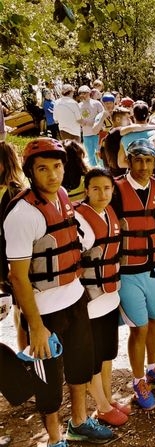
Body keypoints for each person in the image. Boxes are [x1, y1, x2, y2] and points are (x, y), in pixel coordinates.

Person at [4, 138, 113, 446]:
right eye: (42, 169)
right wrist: (35, 326)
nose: (52, 176)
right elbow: (18, 278)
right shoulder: (22, 214)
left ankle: (79, 422)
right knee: (49, 380)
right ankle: (54, 439)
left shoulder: (63, 196)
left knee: (80, 367)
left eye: (57, 167)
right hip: (44, 311)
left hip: (75, 299)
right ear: (30, 172)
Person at [112, 138, 155, 411]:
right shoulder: (116, 190)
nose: (144, 166)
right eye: (138, 160)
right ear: (129, 160)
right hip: (128, 272)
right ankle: (138, 381)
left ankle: (153, 368)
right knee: (140, 328)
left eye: (148, 160)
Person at [74, 168, 130, 426]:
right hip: (89, 298)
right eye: (96, 188)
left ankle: (106, 399)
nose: (102, 193)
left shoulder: (110, 212)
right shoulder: (80, 219)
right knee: (93, 358)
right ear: (87, 190)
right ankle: (102, 406)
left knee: (108, 353)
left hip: (110, 294)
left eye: (107, 188)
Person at [0, 141, 28, 351]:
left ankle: (24, 355)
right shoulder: (18, 191)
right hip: (11, 261)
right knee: (22, 311)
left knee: (21, 310)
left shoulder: (12, 191)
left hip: (9, 260)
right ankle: (25, 357)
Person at [78, 85, 104, 166]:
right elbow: (77, 119)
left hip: (97, 134)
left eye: (85, 93)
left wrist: (91, 123)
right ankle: (94, 171)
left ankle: (103, 169)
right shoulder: (78, 106)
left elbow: (103, 116)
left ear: (89, 93)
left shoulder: (96, 103)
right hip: (86, 134)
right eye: (81, 93)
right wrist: (82, 123)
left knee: (100, 154)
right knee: (90, 155)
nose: (83, 95)